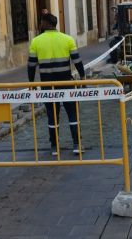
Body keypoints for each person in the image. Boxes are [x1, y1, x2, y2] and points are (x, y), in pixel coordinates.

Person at [28, 13, 85, 156]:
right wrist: (83, 77)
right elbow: (77, 61)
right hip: (66, 83)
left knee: (52, 117)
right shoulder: (68, 39)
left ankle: (54, 146)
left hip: (48, 85)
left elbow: (31, 65)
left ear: (46, 24)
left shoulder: (36, 41)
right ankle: (77, 144)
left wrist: (31, 83)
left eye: (41, 22)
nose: (40, 24)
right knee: (73, 114)